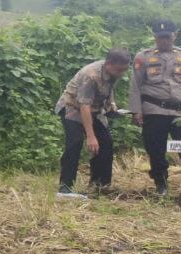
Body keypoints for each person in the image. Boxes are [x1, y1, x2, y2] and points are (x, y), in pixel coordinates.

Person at [54, 49, 131, 197]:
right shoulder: (91, 75)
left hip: (94, 110)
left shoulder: (113, 72)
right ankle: (65, 189)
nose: (122, 73)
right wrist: (90, 136)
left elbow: (108, 90)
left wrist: (111, 105)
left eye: (125, 69)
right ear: (109, 64)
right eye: (120, 69)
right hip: (72, 108)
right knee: (75, 143)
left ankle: (100, 185)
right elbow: (84, 106)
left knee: (106, 143)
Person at [129, 20, 181, 196]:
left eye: (168, 37)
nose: (164, 41)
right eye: (160, 38)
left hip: (180, 112)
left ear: (175, 35)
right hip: (154, 110)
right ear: (155, 37)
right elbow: (135, 85)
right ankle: (161, 185)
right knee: (155, 149)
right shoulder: (144, 56)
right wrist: (136, 111)